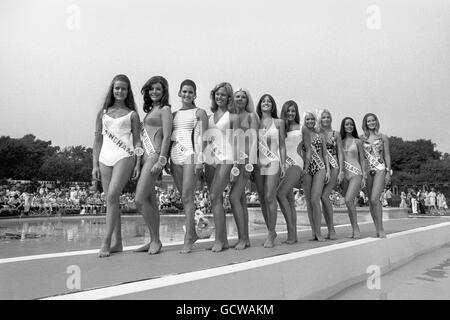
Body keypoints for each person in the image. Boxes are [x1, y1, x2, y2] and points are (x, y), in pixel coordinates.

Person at [92, 74, 142, 257]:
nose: (120, 91)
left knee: (113, 195)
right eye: (117, 88)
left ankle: (106, 242)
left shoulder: (132, 115)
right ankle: (117, 243)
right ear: (112, 90)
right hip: (105, 157)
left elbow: (137, 143)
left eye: (124, 88)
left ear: (128, 91)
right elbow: (97, 140)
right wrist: (94, 165)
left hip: (125, 155)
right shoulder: (103, 114)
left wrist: (137, 162)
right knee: (111, 201)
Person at [134, 76, 172, 255]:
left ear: (164, 91)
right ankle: (153, 240)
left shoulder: (165, 110)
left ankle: (156, 240)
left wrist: (161, 160)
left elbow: (166, 136)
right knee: (150, 201)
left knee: (139, 200)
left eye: (158, 89)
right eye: (151, 89)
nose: (154, 92)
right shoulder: (150, 111)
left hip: (155, 156)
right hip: (144, 158)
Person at [169, 79, 208, 253]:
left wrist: (200, 161)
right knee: (184, 199)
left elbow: (203, 138)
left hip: (190, 155)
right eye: (184, 91)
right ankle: (191, 232)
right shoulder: (174, 114)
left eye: (190, 92)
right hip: (175, 156)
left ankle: (190, 236)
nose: (187, 95)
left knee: (187, 196)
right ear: (179, 93)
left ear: (195, 94)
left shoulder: (199, 112)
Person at [204, 82, 240, 252]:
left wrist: (235, 167)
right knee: (214, 199)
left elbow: (237, 143)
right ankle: (223, 239)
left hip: (226, 159)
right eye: (217, 94)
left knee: (215, 195)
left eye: (223, 95)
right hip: (210, 161)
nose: (220, 97)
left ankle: (219, 240)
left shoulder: (233, 117)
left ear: (228, 98)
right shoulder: (209, 117)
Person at [253, 94, 286, 248]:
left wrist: (284, 164)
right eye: (263, 101)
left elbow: (282, 146)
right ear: (259, 105)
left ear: (273, 106)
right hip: (259, 163)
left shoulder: (279, 122)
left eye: (269, 101)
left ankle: (271, 233)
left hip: (273, 161)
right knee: (262, 198)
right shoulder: (255, 122)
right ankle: (270, 231)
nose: (266, 103)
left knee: (269, 196)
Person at [228, 88, 258, 249]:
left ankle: (243, 238)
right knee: (240, 200)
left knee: (233, 198)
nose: (240, 99)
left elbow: (254, 140)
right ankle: (244, 238)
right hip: (234, 161)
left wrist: (250, 164)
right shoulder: (232, 117)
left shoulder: (251, 116)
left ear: (247, 100)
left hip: (246, 160)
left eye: (243, 97)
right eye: (237, 97)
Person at [276, 100, 304, 244]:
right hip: (284, 164)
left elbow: (307, 149)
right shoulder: (281, 127)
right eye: (288, 111)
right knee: (290, 200)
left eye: (293, 111)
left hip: (296, 164)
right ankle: (292, 236)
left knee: (279, 194)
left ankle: (291, 235)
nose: (291, 113)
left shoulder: (301, 128)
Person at [360, 113, 391, 238]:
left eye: (373, 120)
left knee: (374, 199)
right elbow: (361, 157)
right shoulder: (361, 138)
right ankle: (377, 228)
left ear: (376, 122)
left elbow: (387, 155)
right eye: (369, 121)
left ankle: (381, 228)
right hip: (367, 171)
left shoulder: (383, 137)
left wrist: (389, 172)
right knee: (371, 202)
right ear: (365, 123)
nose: (371, 123)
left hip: (380, 169)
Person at [301, 111, 330, 241]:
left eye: (312, 119)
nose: (310, 121)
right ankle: (313, 232)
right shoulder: (302, 135)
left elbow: (325, 154)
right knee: (308, 201)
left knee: (314, 200)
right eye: (307, 119)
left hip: (320, 168)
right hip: (306, 168)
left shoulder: (320, 135)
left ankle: (319, 232)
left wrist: (328, 170)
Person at [318, 109, 343, 240]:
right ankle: (327, 229)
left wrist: (342, 171)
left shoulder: (336, 134)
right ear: (320, 119)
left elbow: (340, 153)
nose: (326, 119)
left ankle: (332, 229)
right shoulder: (317, 133)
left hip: (333, 167)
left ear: (331, 119)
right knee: (321, 198)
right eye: (323, 117)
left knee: (324, 196)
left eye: (328, 117)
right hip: (320, 167)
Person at [339, 117, 365, 239]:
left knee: (349, 200)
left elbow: (362, 159)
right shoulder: (340, 141)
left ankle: (356, 228)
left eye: (351, 124)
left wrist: (364, 175)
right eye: (346, 124)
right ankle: (354, 227)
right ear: (343, 126)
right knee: (349, 203)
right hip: (344, 175)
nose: (349, 126)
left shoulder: (358, 142)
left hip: (356, 173)